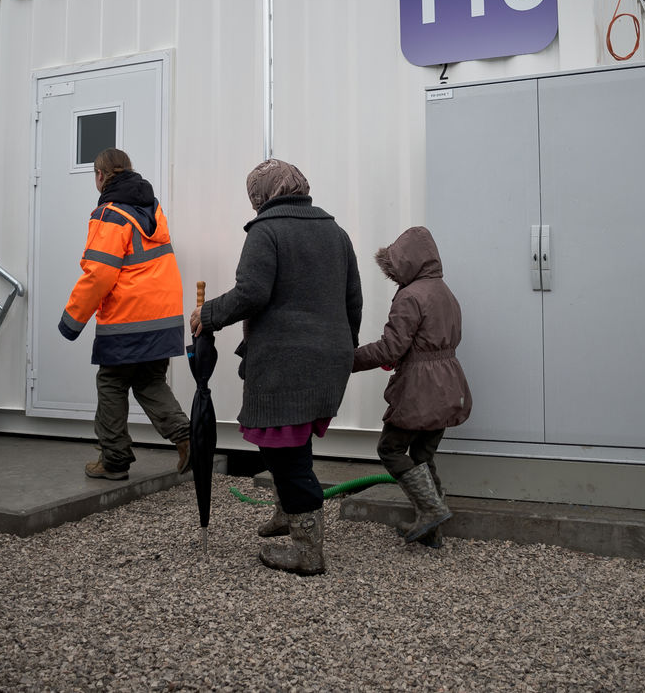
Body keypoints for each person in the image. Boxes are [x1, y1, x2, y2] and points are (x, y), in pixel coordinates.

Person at [190, 159, 362, 576]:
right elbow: (353, 299)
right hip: (329, 357)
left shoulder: (266, 231)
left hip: (287, 363)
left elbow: (252, 292)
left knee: (285, 450)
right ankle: (288, 512)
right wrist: (343, 349)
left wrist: (208, 315)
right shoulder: (336, 233)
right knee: (289, 439)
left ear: (261, 195)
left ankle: (308, 551)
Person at [59, 149, 191, 481]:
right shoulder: (152, 208)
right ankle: (188, 438)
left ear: (100, 176)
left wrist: (72, 320)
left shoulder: (110, 214)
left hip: (129, 317)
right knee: (149, 380)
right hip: (164, 314)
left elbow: (99, 275)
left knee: (112, 382)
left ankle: (114, 460)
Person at [352, 226, 471, 548]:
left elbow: (391, 347)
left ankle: (431, 510)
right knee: (422, 454)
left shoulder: (410, 296)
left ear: (408, 261)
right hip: (449, 385)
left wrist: (347, 360)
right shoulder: (445, 292)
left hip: (420, 388)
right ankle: (432, 530)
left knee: (390, 449)